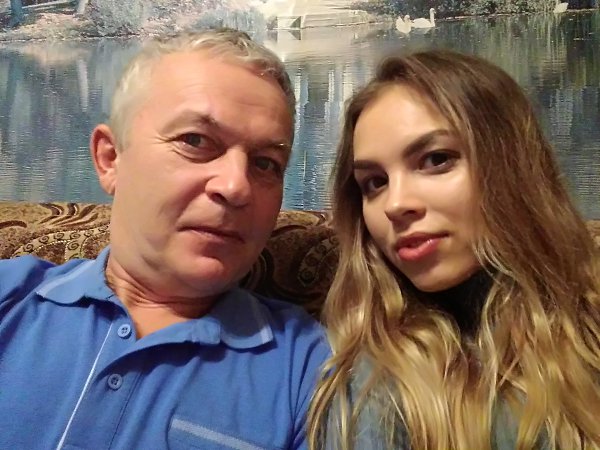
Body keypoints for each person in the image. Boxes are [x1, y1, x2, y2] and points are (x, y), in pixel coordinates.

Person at [0, 29, 330, 450]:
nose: (236, 186)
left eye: (266, 163)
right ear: (110, 158)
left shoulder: (312, 371)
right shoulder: (11, 299)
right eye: (195, 141)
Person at [308, 49, 600, 450]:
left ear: (512, 165)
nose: (395, 204)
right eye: (374, 182)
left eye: (436, 160)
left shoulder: (588, 326)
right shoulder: (372, 389)